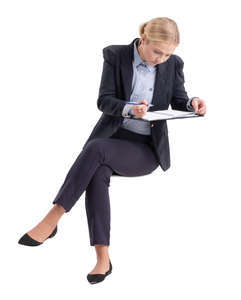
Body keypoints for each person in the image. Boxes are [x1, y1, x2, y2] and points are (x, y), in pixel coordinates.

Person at [18, 17, 207, 284]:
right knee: (96, 173)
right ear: (144, 40)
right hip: (112, 138)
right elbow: (104, 100)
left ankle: (53, 218)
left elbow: (178, 99)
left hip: (145, 150)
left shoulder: (173, 64)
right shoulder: (116, 55)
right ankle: (102, 259)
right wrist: (130, 108)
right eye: (157, 52)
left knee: (95, 150)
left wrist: (192, 102)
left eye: (167, 54)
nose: (161, 59)